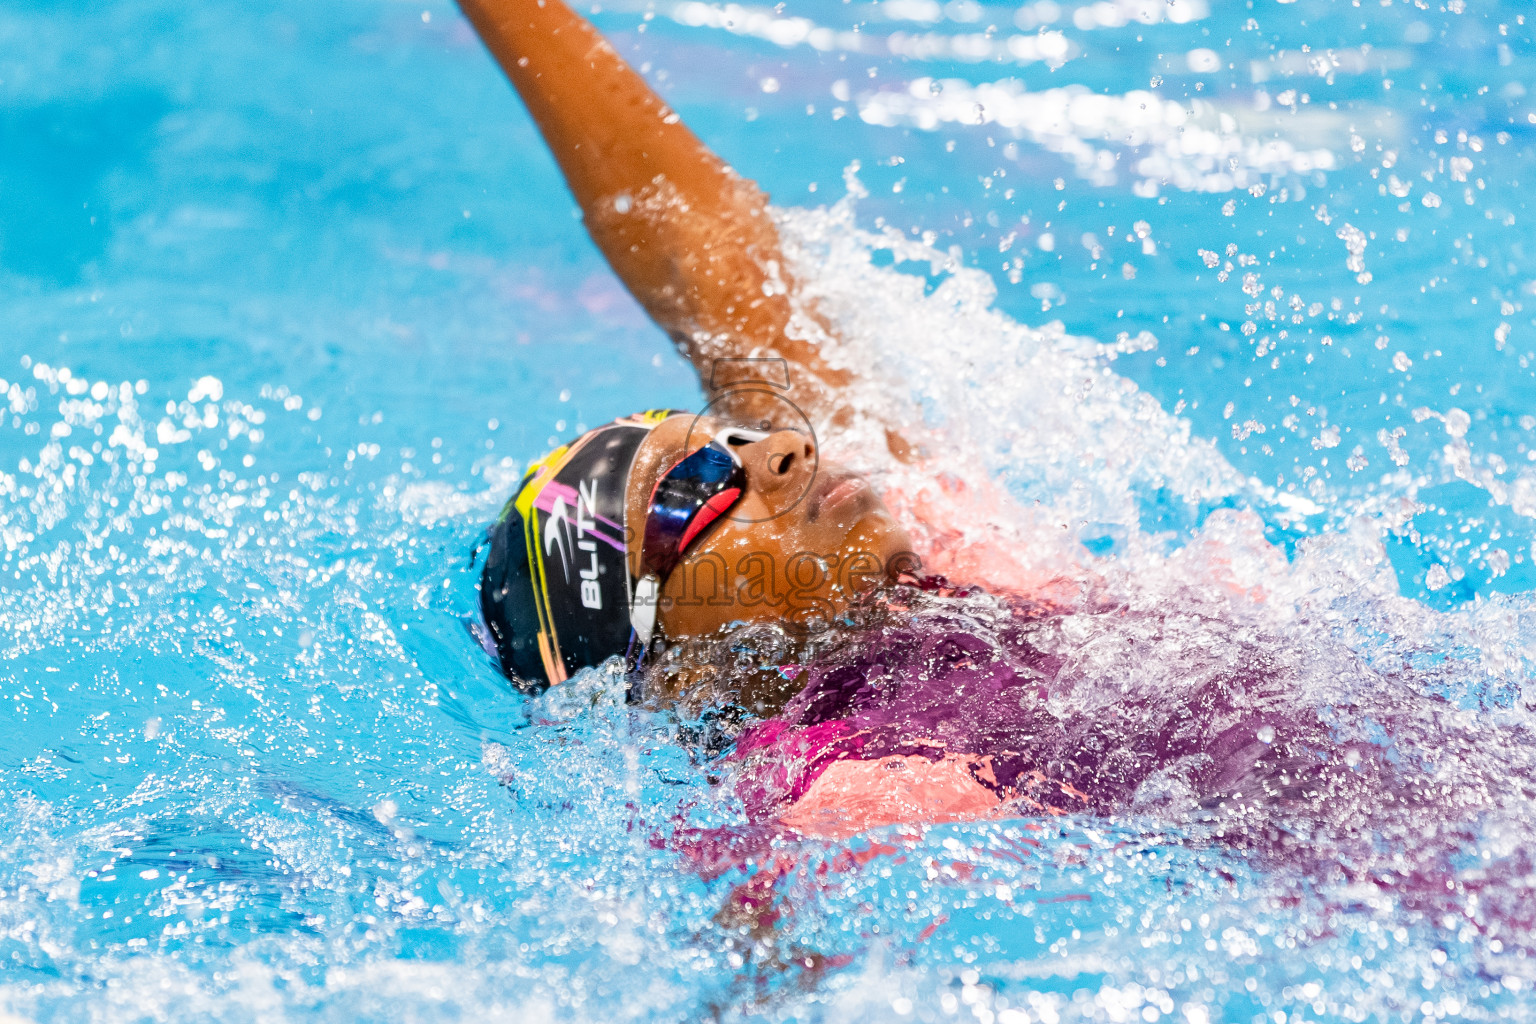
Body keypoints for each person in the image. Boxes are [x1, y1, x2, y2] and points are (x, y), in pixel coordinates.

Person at [455, 0, 1420, 847]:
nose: (785, 449)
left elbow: (692, 237)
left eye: (735, 439)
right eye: (700, 485)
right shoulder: (834, 797)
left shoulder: (951, 539)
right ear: (666, 674)